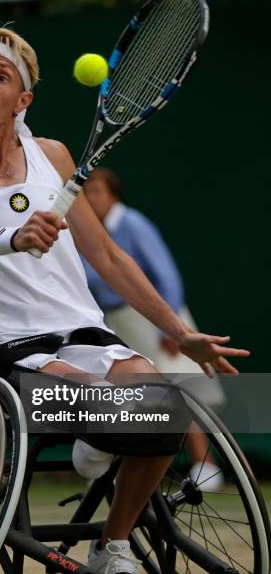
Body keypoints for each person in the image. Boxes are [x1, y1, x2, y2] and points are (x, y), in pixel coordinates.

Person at [0, 25, 248, 574]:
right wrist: (11, 237)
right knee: (104, 406)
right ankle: (100, 434)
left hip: (88, 335)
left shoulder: (54, 157)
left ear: (23, 101)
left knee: (168, 407)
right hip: (6, 353)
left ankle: (110, 545)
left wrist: (177, 330)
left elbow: (110, 258)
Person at [80, 168, 225, 491]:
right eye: (86, 193)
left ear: (113, 194)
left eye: (97, 191)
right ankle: (120, 473)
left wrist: (172, 327)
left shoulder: (131, 223)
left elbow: (166, 272)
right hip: (118, 322)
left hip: (153, 317)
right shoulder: (86, 233)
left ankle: (206, 467)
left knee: (178, 392)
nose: (90, 198)